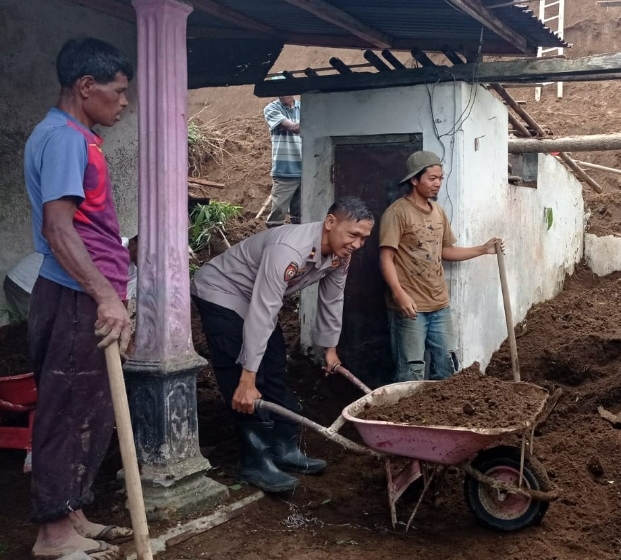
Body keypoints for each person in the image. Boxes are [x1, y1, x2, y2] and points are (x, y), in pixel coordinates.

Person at [23, 37, 135, 560]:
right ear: (85, 87)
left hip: (82, 294)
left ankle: (73, 514)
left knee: (87, 408)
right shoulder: (65, 139)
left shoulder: (73, 136)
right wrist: (105, 297)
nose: (125, 102)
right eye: (118, 91)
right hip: (75, 296)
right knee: (65, 413)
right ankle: (53, 535)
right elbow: (59, 228)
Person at [191, 197, 374, 493]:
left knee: (274, 364)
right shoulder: (290, 250)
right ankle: (254, 460)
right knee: (244, 373)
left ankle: (283, 448)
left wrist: (329, 349)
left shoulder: (340, 255)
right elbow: (264, 310)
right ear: (330, 223)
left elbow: (332, 298)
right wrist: (248, 376)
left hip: (256, 296)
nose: (357, 244)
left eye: (364, 238)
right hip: (221, 291)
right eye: (353, 234)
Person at [380, 151, 500, 382]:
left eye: (440, 178)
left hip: (439, 305)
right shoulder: (397, 213)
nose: (438, 184)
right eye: (432, 178)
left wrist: (482, 249)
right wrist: (400, 295)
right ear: (415, 180)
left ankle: (439, 417)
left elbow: (445, 250)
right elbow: (386, 258)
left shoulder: (438, 212)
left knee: (446, 366)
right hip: (411, 306)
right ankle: (407, 418)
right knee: (411, 371)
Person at [4, 238, 138, 323]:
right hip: (25, 283)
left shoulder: (135, 271)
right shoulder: (110, 246)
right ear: (134, 243)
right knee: (39, 335)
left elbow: (121, 304)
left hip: (45, 289)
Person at [263, 95, 302, 228]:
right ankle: (273, 244)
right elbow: (294, 128)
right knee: (278, 213)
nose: (282, 94)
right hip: (284, 170)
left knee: (300, 215)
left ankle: (298, 244)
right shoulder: (272, 108)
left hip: (306, 169)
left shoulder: (304, 107)